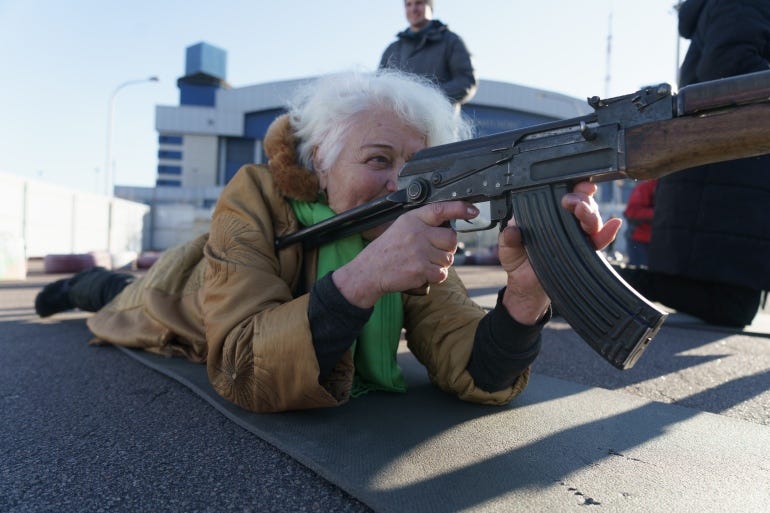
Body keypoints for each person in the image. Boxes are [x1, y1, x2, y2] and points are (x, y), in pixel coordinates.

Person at [35, 69, 619, 413]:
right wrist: (366, 276)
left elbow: (473, 367)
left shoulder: (405, 224)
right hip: (177, 295)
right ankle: (73, 286)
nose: (400, 185)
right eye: (377, 160)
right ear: (322, 159)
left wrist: (524, 296)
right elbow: (242, 367)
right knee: (112, 298)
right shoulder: (254, 194)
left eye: (416, 168)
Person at [617, 0, 770, 327]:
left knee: (732, 308)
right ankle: (599, 283)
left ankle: (603, 283)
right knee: (730, 306)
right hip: (725, 172)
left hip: (727, 172)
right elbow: (731, 66)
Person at [379, 0, 477, 105]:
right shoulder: (393, 49)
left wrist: (426, 98)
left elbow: (466, 82)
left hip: (436, 119)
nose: (413, 9)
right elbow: (379, 87)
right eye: (408, 4)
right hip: (398, 119)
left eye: (419, 3)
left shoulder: (451, 41)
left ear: (430, 7)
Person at [623, 179, 657, 267]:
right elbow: (631, 212)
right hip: (640, 242)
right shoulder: (646, 187)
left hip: (659, 243)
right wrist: (659, 213)